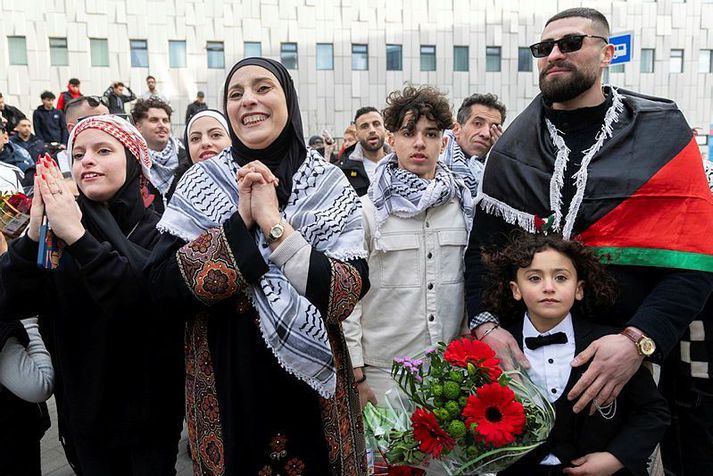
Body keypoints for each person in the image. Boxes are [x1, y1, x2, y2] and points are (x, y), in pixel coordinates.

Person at [465, 7, 713, 472]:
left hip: (631, 375)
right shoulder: (511, 149)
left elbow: (695, 265)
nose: (554, 55)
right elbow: (483, 255)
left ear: (607, 53)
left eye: (570, 43)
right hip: (528, 383)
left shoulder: (662, 132)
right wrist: (486, 326)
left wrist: (637, 342)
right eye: (543, 49)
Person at [147, 57, 370, 475]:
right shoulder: (199, 182)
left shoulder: (329, 184)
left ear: (288, 98)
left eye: (263, 88)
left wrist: (274, 225)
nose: (248, 100)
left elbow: (343, 296)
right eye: (235, 94)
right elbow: (159, 287)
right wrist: (237, 225)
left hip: (314, 399)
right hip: (226, 385)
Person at [0, 116, 185, 475]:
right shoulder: (59, 232)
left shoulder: (162, 230)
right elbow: (11, 302)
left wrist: (81, 240)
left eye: (103, 151)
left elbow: (144, 306)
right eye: (79, 153)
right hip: (84, 418)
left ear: (133, 161)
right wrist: (33, 237)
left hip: (149, 418)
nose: (87, 160)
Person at [485, 234, 670, 476]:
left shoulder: (611, 345)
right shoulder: (497, 350)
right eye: (534, 278)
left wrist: (615, 458)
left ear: (579, 289)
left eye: (561, 278)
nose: (549, 287)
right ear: (516, 290)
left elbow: (653, 413)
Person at [343, 85, 473, 407]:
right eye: (408, 132)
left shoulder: (465, 208)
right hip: (384, 378)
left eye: (430, 134)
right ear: (392, 140)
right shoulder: (366, 211)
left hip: (451, 376)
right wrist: (355, 374)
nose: (419, 143)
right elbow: (349, 301)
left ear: (443, 143)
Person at [440, 93, 506, 196]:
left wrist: (501, 158)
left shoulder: (502, 171)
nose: (486, 134)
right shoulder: (433, 159)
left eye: (493, 128)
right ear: (456, 129)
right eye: (478, 124)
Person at [131, 97, 188, 212]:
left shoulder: (186, 158)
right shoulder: (132, 162)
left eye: (165, 120)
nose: (161, 125)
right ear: (139, 126)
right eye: (154, 120)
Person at [166, 109, 231, 199]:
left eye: (215, 135)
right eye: (195, 138)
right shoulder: (179, 190)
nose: (205, 143)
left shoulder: (251, 183)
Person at [337, 107, 389, 196]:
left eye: (376, 124)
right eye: (364, 126)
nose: (372, 130)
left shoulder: (402, 163)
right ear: (356, 135)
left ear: (385, 129)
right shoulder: (342, 171)